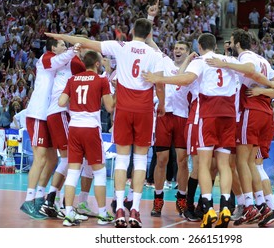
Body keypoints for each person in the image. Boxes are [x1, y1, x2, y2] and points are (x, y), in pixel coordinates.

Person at [45, 17, 166, 228]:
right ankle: (135, 210)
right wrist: (162, 105)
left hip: (124, 108)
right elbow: (160, 85)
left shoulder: (120, 46)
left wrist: (61, 36)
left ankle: (118, 208)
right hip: (145, 109)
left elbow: (87, 42)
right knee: (139, 161)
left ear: (131, 31)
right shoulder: (155, 54)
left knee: (121, 159)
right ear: (149, 35)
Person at [206, 29, 274, 226]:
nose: (229, 45)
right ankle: (263, 204)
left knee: (241, 162)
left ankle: (253, 204)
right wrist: (266, 89)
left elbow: (249, 69)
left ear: (238, 43)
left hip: (250, 112)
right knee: (252, 164)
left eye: (231, 42)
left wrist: (224, 63)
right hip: (264, 114)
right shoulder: (263, 59)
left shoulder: (246, 57)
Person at [20, 38, 77, 219]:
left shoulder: (61, 63)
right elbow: (58, 60)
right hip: (38, 114)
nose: (65, 47)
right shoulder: (46, 57)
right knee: (41, 157)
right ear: (53, 47)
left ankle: (39, 197)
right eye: (62, 44)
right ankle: (28, 200)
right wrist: (74, 50)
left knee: (52, 159)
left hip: (49, 114)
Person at [58, 50, 115, 226]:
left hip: (74, 128)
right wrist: (119, 91)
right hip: (91, 128)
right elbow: (110, 107)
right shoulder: (101, 80)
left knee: (73, 172)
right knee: (98, 173)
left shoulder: (73, 79)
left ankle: (68, 213)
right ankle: (103, 214)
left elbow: (61, 102)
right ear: (97, 64)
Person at [150, 42, 194, 219]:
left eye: (182, 48)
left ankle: (181, 198)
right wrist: (151, 17)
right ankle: (158, 198)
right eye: (176, 48)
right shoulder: (165, 61)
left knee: (183, 160)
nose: (177, 50)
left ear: (188, 53)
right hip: (165, 115)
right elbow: (150, 42)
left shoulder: (194, 68)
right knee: (162, 159)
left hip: (183, 116)